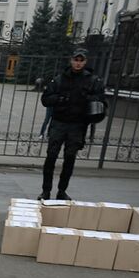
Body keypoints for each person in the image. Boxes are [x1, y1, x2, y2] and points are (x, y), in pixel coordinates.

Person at [39, 49, 105, 199]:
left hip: (77, 125)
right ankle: (46, 190)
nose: (78, 63)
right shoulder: (59, 79)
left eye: (81, 60)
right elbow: (46, 99)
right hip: (59, 123)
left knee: (70, 158)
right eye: (76, 60)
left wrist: (87, 98)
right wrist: (59, 99)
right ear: (71, 60)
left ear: (85, 62)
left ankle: (62, 191)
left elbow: (101, 100)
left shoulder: (93, 81)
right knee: (51, 157)